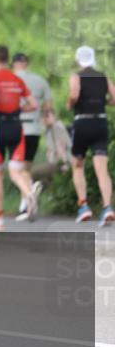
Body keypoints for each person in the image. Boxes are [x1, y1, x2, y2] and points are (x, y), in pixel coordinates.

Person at [0, 45, 39, 231]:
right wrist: (18, 109)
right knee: (16, 172)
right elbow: (34, 105)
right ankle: (28, 193)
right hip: (17, 127)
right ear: (8, 60)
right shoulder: (17, 80)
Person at [66, 45, 115, 226]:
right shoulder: (103, 76)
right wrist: (104, 102)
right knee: (102, 168)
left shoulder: (76, 76)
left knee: (78, 165)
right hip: (100, 122)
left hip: (82, 122)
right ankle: (107, 207)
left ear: (78, 59)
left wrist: (70, 104)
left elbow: (74, 94)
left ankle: (84, 206)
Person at [12, 52, 53, 219]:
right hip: (34, 129)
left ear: (13, 64)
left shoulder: (10, 80)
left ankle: (27, 198)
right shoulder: (40, 80)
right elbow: (48, 106)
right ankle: (26, 204)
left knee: (16, 169)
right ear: (27, 63)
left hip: (15, 128)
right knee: (26, 167)